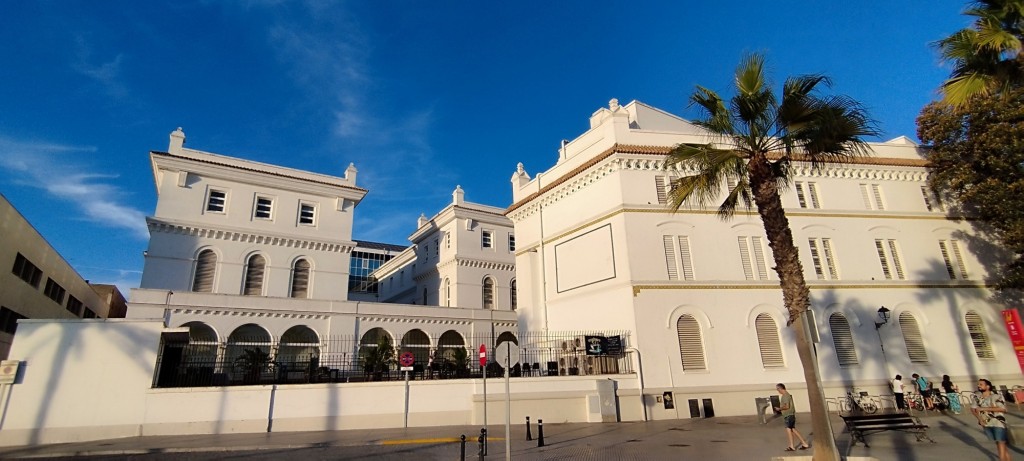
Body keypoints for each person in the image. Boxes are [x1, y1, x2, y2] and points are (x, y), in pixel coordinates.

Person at [971, 378, 1011, 461]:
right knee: (1000, 443)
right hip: (987, 423)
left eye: (981, 384)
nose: (979, 386)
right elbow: (973, 409)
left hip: (998, 422)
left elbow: (1003, 409)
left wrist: (983, 409)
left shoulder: (995, 396)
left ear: (988, 386)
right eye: (978, 384)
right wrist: (979, 419)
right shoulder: (977, 398)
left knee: (1001, 442)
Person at [776, 383, 810, 451]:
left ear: (780, 388)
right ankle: (804, 443)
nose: (778, 391)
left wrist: (779, 409)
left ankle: (791, 446)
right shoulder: (787, 395)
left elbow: (787, 406)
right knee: (793, 429)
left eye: (778, 389)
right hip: (790, 415)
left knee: (788, 429)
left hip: (788, 415)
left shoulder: (785, 396)